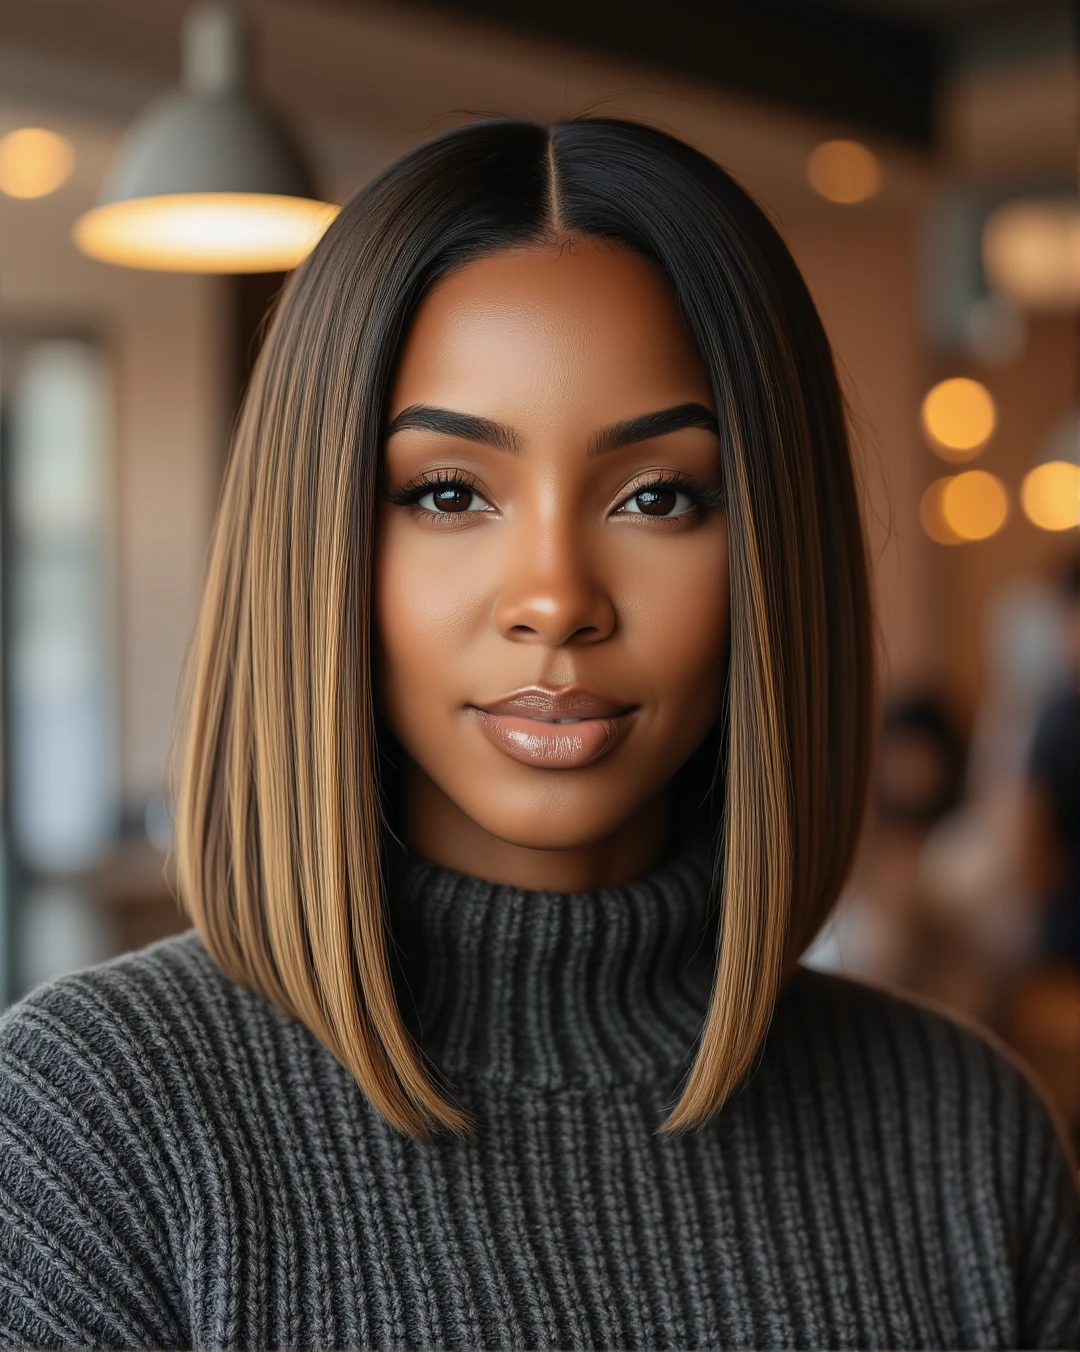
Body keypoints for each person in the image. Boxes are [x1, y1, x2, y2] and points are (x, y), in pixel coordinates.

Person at [0, 116, 1076, 1352]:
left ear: (773, 555)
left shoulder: (964, 1139)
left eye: (658, 495)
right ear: (321, 546)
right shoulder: (92, 1122)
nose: (557, 596)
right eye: (449, 493)